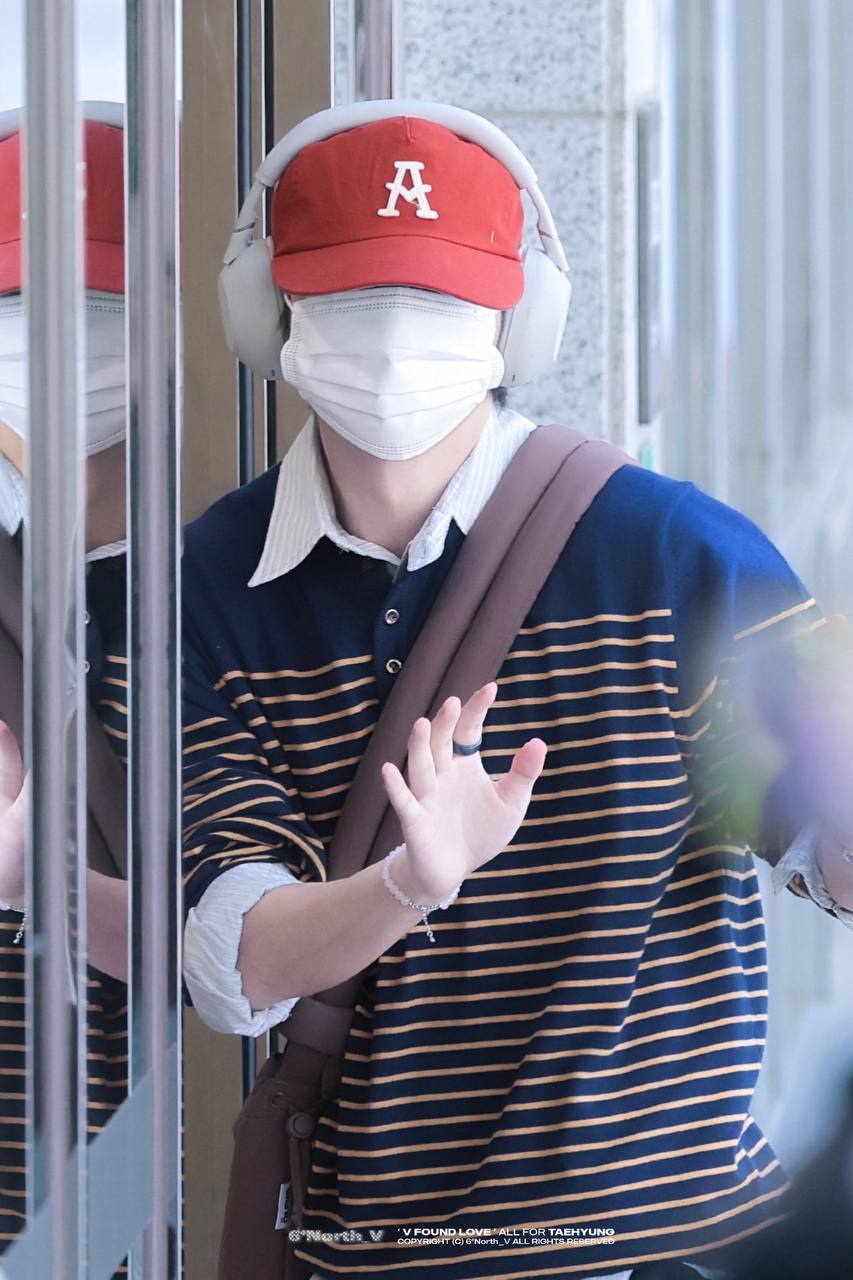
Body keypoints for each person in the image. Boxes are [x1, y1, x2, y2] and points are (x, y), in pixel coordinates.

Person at [180, 102, 853, 1280]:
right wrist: (407, 882)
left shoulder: (676, 552)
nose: (397, 335)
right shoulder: (209, 585)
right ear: (269, 308)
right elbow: (233, 966)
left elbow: (826, 841)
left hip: (661, 1243)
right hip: (384, 1250)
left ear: (515, 317)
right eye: (355, 292)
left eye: (439, 294)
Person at [0, 104, 130, 1270]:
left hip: (167, 1141)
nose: (49, 335)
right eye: (14, 301)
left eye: (98, 300)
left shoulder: (234, 586)